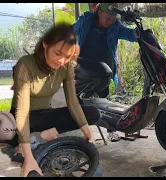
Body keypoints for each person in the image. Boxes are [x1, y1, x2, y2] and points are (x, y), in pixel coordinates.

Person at [0, 23, 102, 177]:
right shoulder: (25, 65)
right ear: (45, 44)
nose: (61, 60)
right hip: (21, 116)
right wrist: (28, 157)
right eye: (58, 53)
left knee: (93, 113)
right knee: (4, 130)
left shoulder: (66, 67)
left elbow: (73, 102)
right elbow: (22, 112)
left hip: (45, 115)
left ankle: (41, 136)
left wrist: (86, 131)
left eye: (67, 56)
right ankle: (26, 141)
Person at [72, 3, 137, 142]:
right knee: (79, 98)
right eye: (107, 18)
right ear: (98, 12)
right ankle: (81, 131)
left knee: (104, 99)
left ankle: (111, 131)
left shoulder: (115, 26)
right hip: (83, 67)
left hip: (103, 70)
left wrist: (141, 33)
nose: (110, 21)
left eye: (112, 19)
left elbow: (130, 34)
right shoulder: (86, 20)